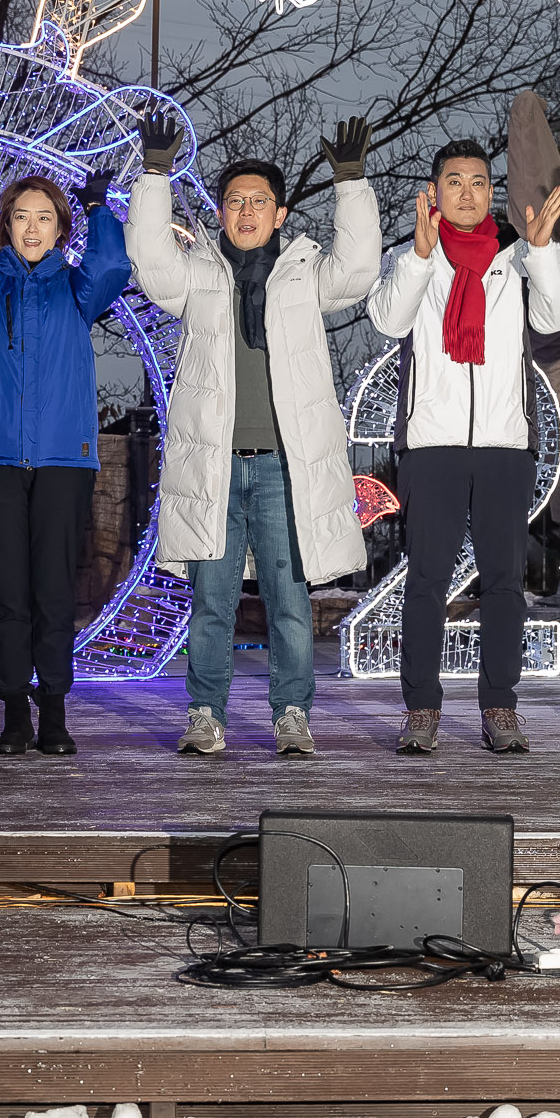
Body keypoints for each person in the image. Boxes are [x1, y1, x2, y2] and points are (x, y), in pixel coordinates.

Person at [125, 114, 381, 756]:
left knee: (288, 602)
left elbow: (357, 271)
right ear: (219, 213)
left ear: (281, 211)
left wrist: (351, 183)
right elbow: (152, 262)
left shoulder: (304, 273)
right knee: (210, 603)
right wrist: (154, 176)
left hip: (283, 470)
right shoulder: (199, 274)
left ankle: (292, 712)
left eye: (258, 201)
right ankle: (205, 713)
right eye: (235, 201)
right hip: (213, 465)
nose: (246, 211)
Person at [367, 140, 560, 754]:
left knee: (505, 581)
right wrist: (419, 259)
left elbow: (558, 316)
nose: (466, 191)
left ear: (492, 191)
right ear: (433, 193)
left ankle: (500, 706)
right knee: (428, 578)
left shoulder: (516, 262)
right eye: (453, 181)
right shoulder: (413, 257)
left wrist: (541, 252)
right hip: (432, 445)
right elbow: (386, 321)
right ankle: (422, 708)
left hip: (504, 446)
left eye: (479, 182)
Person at [0, 166, 132, 756]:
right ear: (7, 226)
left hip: (65, 459)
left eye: (45, 217)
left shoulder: (76, 289)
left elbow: (113, 267)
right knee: (9, 590)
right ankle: (14, 709)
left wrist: (98, 208)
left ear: (61, 227)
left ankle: (55, 713)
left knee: (54, 592)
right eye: (21, 217)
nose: (33, 227)